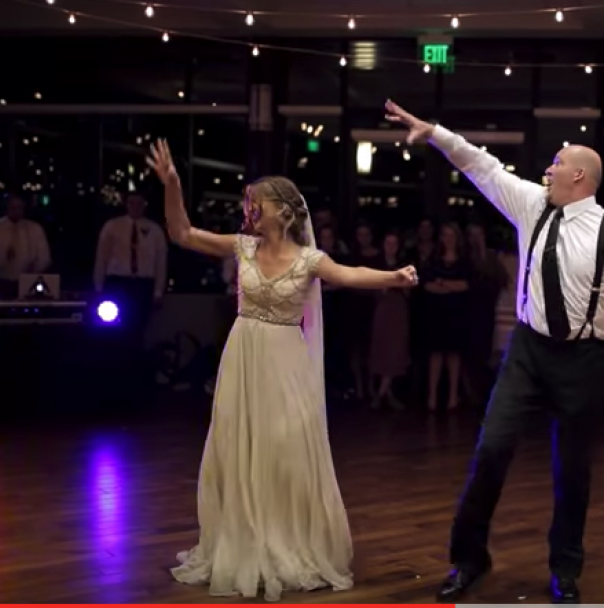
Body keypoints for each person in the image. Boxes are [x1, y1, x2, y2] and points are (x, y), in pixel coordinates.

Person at [384, 100, 604, 603]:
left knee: (573, 468)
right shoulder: (531, 204)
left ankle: (566, 570)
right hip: (527, 350)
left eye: (557, 163)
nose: (548, 168)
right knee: (491, 449)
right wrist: (434, 133)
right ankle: (468, 561)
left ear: (579, 175)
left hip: (581, 360)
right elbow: (482, 165)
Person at [145, 139, 418, 601]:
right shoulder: (243, 247)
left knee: (286, 450)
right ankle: (244, 539)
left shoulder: (310, 261)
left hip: (286, 362)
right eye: (247, 202)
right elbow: (183, 234)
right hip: (244, 356)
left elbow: (349, 274)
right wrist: (172, 184)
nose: (248, 208)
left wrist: (393, 277)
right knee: (239, 446)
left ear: (285, 212)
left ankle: (288, 541)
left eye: (258, 202)